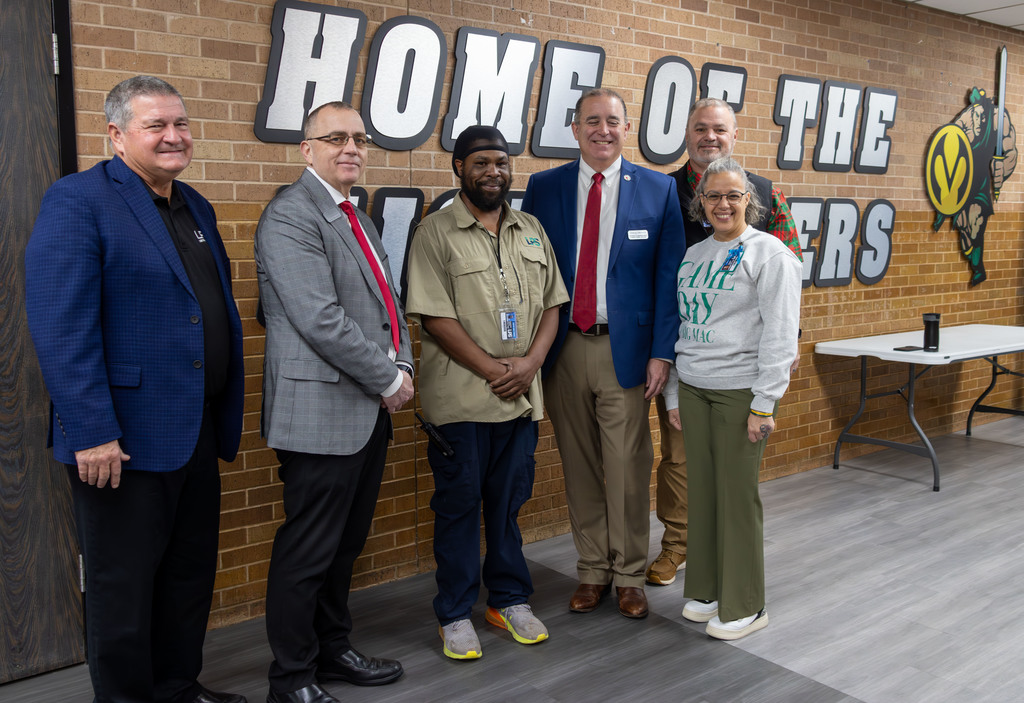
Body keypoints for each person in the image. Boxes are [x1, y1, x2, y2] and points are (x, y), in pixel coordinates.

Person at [24, 75, 246, 703]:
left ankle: (176, 686)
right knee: (123, 587)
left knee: (187, 574)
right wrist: (92, 431)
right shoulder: (78, 200)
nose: (173, 136)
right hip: (120, 441)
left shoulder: (193, 204)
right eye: (156, 126)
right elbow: (60, 325)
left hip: (195, 428)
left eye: (180, 124)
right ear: (117, 135)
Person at [255, 101, 414, 703]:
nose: (351, 148)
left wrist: (400, 361)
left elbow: (387, 306)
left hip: (364, 411)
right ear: (307, 149)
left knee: (343, 546)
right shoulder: (291, 216)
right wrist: (388, 378)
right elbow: (320, 319)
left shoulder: (357, 216)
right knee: (308, 551)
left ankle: (331, 649)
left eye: (360, 139)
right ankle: (291, 679)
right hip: (320, 414)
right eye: (335, 138)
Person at [521, 88, 685, 619]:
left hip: (628, 352)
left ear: (626, 127)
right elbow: (530, 271)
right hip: (563, 347)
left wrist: (662, 353)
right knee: (581, 464)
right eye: (592, 121)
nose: (603, 131)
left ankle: (630, 575)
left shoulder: (658, 190)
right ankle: (592, 571)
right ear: (575, 129)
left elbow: (669, 280)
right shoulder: (544, 188)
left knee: (628, 466)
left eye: (613, 121)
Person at [406, 126, 568, 660]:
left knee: (507, 505)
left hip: (521, 400)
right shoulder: (434, 232)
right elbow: (433, 315)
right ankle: (454, 613)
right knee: (457, 507)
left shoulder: (531, 229)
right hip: (461, 401)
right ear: (459, 168)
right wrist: (496, 370)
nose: (492, 171)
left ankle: (508, 600)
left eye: (501, 161)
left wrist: (532, 364)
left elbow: (552, 304)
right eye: (480, 163)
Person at [646, 98, 803, 588]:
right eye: (700, 128)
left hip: (740, 365)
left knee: (731, 471)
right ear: (686, 135)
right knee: (678, 457)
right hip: (682, 353)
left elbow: (789, 267)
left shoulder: (764, 193)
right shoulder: (660, 192)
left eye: (719, 129)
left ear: (734, 136)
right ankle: (677, 546)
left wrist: (787, 343)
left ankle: (726, 567)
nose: (709, 137)